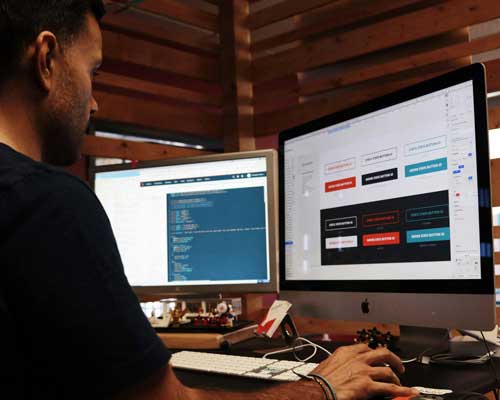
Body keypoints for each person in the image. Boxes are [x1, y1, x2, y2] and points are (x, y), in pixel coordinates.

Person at [0, 1, 420, 399]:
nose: (94, 102)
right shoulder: (47, 203)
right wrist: (322, 388)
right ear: (46, 58)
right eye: (93, 71)